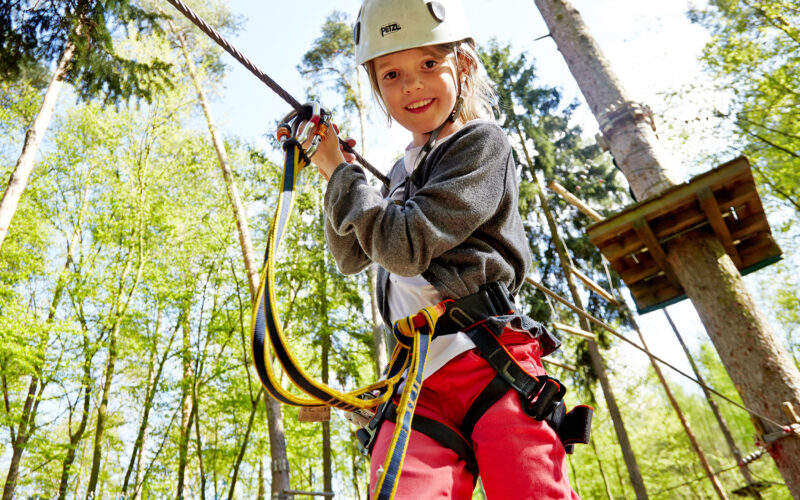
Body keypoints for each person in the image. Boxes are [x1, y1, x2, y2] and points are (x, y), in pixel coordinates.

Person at [309, 0, 587, 498]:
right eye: (391, 74)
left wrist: (341, 173)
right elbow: (351, 256)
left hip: (490, 359)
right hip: (416, 380)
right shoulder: (400, 173)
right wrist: (340, 178)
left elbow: (403, 247)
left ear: (464, 64)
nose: (411, 85)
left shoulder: (481, 144)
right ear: (377, 86)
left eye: (428, 63)